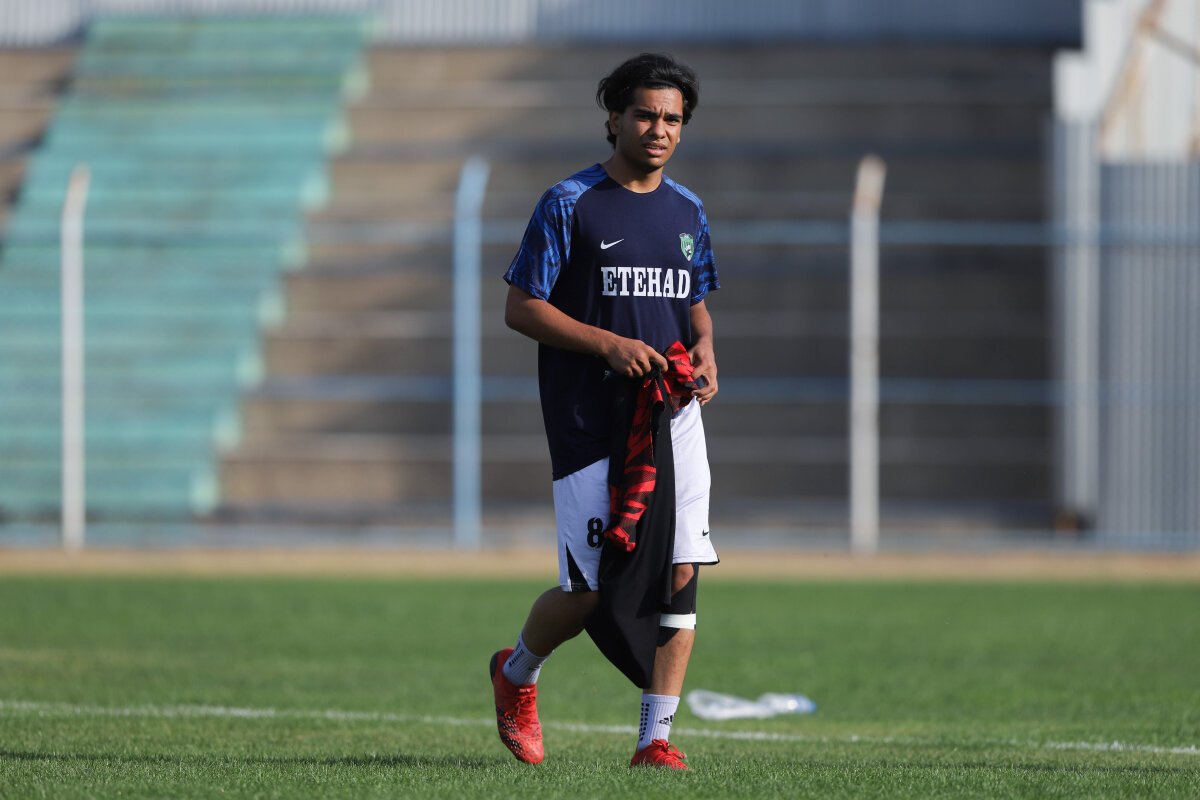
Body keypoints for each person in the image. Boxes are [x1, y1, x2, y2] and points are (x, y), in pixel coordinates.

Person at [491, 52, 720, 770]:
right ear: (614, 118)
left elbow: (695, 304)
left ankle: (655, 740)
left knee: (682, 570)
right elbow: (521, 307)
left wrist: (706, 348)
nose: (659, 130)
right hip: (590, 422)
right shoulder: (570, 202)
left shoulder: (688, 210)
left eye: (672, 119)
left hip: (673, 416)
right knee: (589, 592)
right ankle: (517, 672)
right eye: (645, 115)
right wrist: (607, 345)